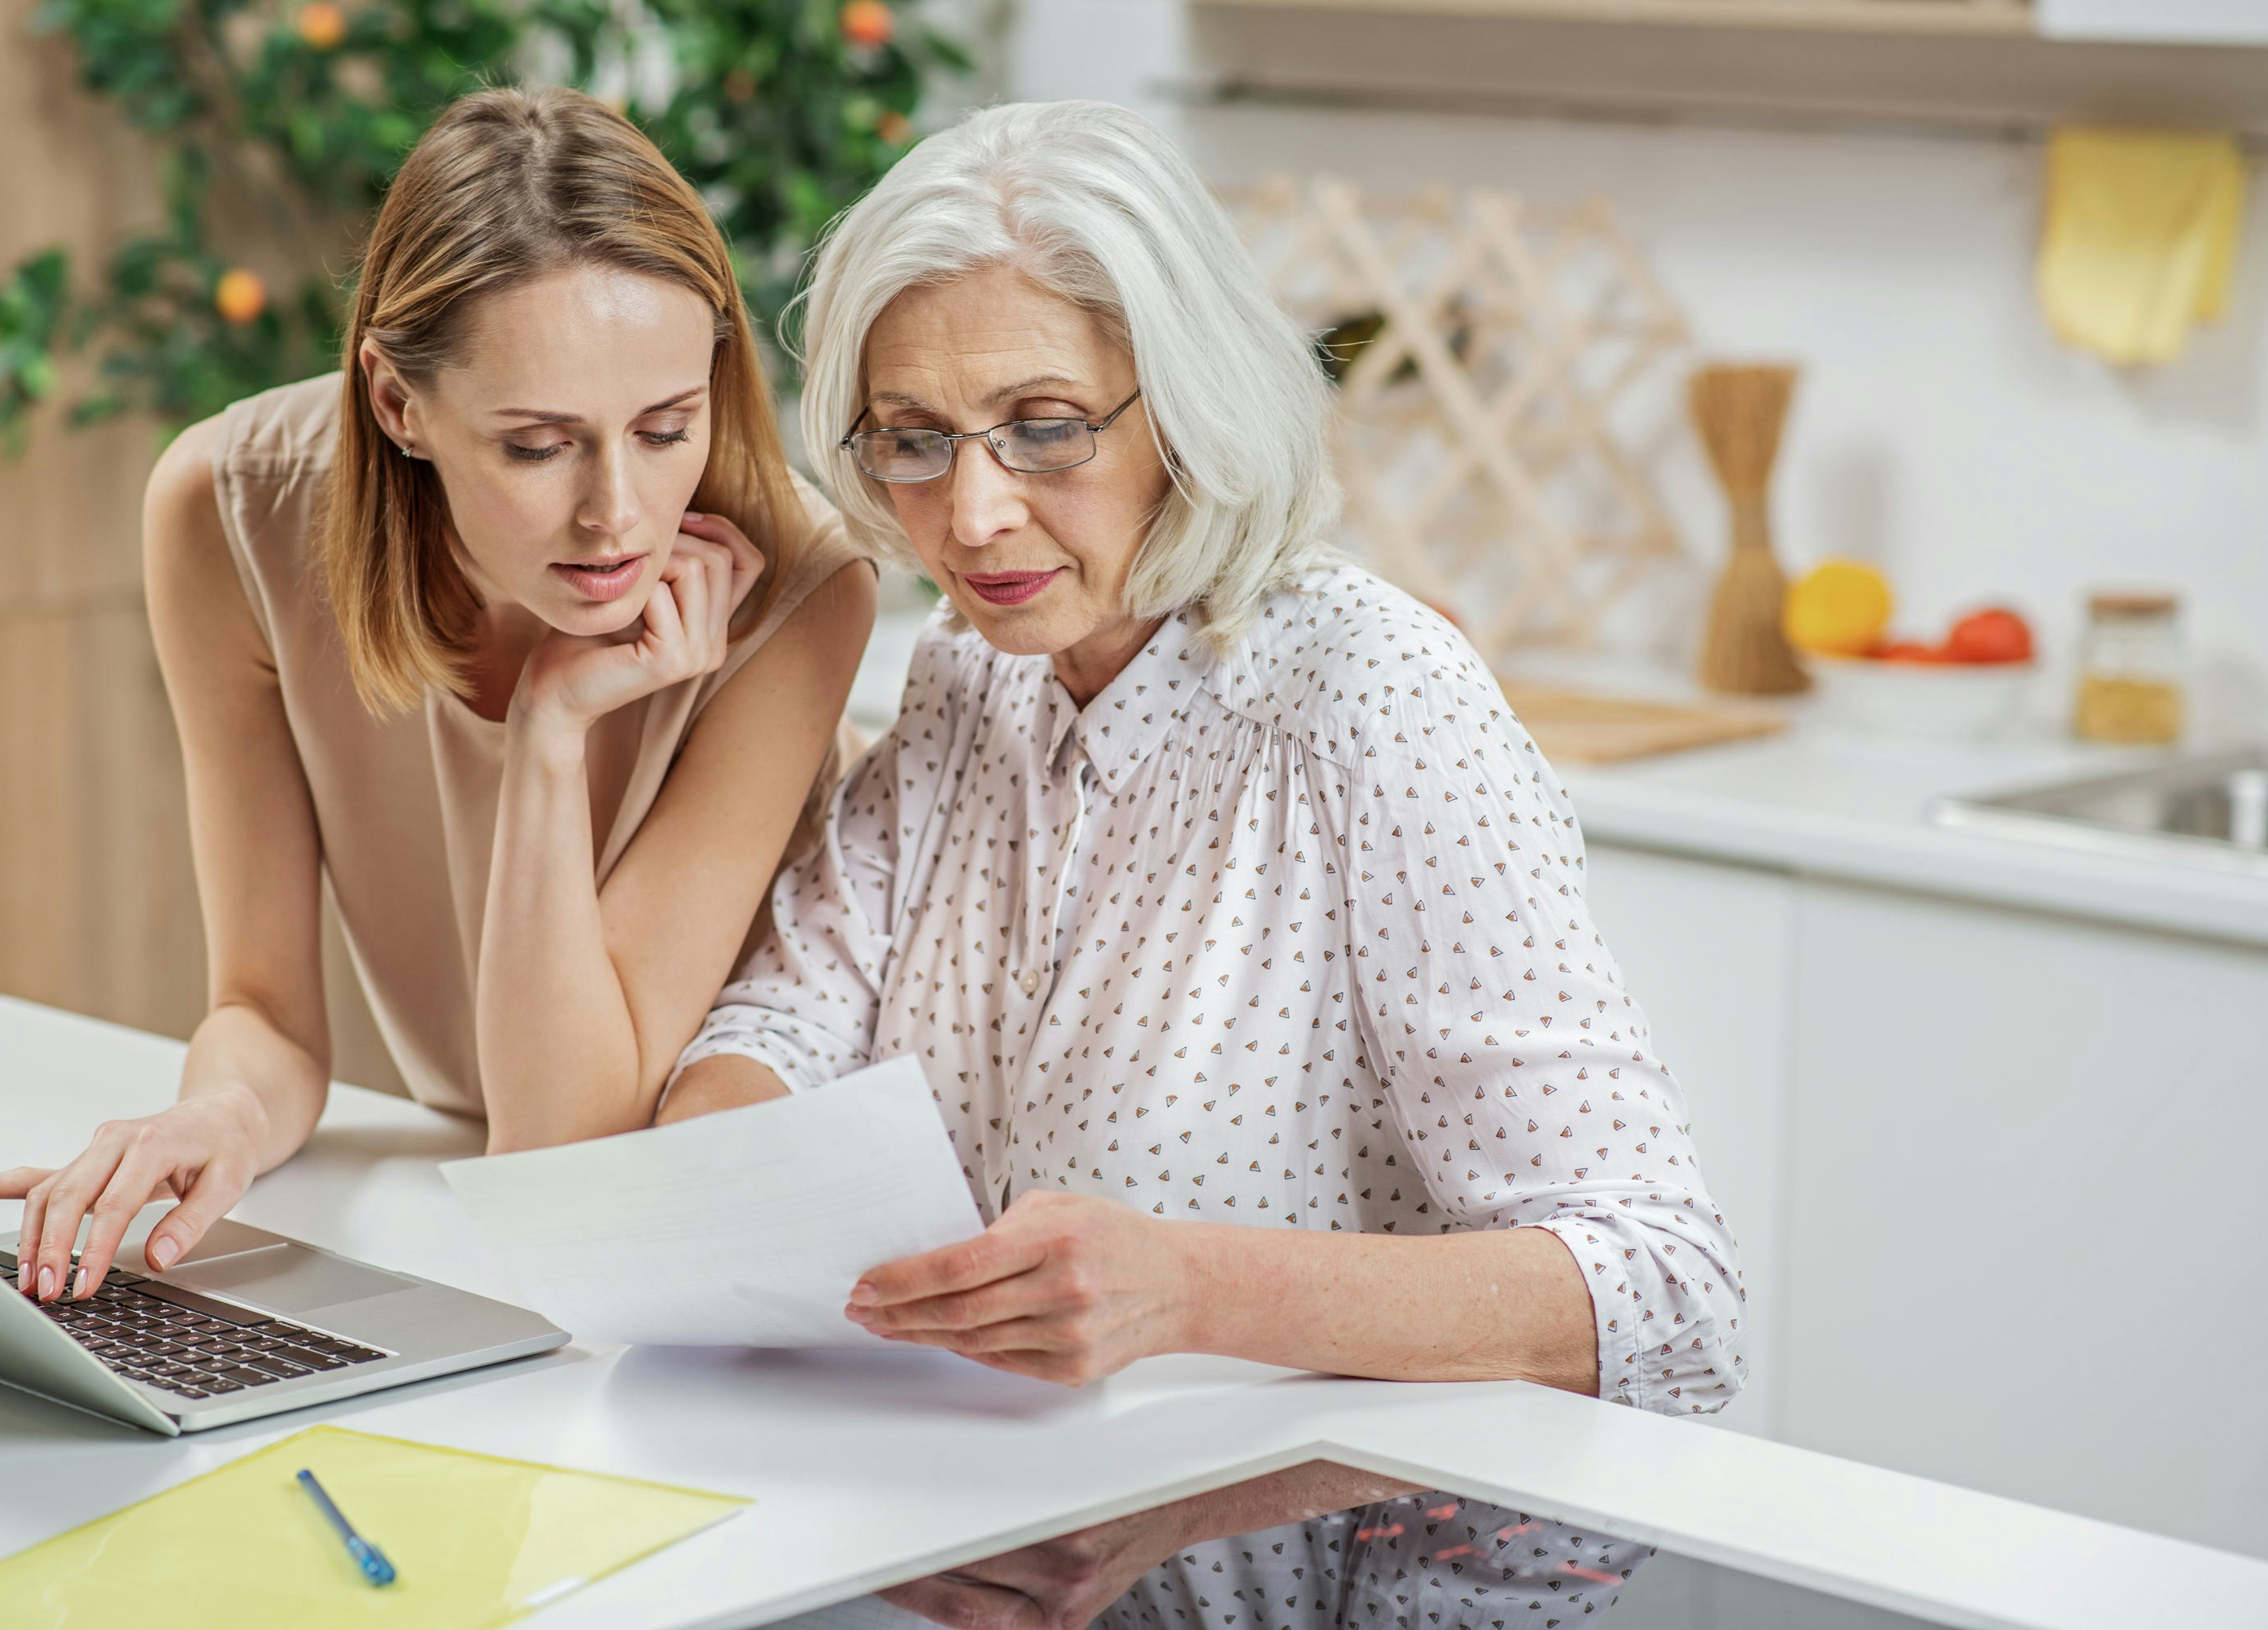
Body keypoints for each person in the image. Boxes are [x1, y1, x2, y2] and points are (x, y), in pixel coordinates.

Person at [666, 100, 1741, 1628]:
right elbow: (784, 1019)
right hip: (981, 1556)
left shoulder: (1374, 700)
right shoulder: (971, 674)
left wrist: (1192, 1289)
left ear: (1186, 402)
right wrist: (710, 1190)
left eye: (1046, 426)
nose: (971, 515)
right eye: (912, 440)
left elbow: (1666, 1292)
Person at [0, 86, 875, 1304]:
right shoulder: (233, 517)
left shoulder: (797, 592)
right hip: (482, 1215)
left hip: (712, 1249)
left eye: (665, 427)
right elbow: (266, 1013)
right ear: (397, 402)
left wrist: (549, 733)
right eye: (538, 446)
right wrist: (221, 1111)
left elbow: (567, 1156)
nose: (618, 514)